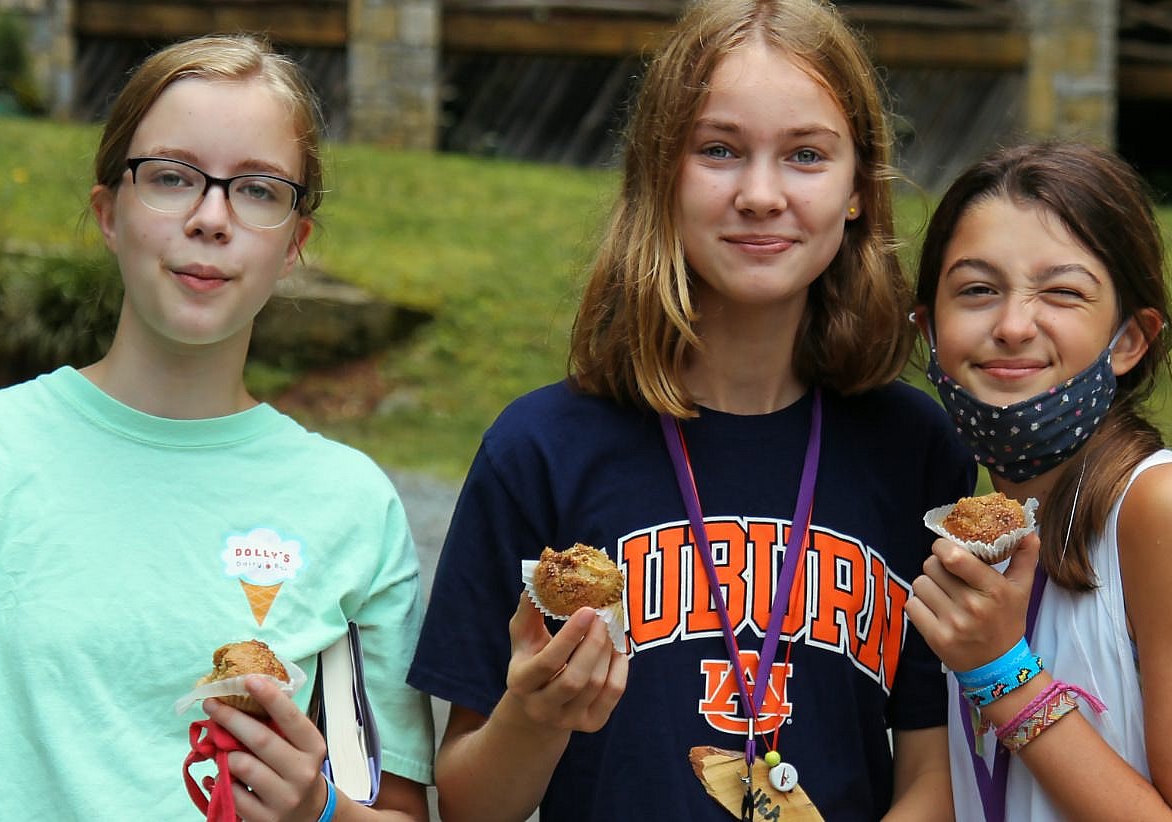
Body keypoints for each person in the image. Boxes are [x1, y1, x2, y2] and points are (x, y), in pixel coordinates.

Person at [0, 34, 434, 821]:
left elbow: (397, 808)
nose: (212, 218)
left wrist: (317, 809)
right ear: (109, 212)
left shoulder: (351, 507)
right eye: (172, 177)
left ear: (294, 245)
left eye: (258, 189)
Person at [406, 0, 976, 819]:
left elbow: (934, 772)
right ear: (659, 174)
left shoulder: (917, 450)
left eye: (807, 155)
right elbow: (467, 801)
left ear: (857, 189)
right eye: (718, 150)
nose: (760, 193)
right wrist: (532, 719)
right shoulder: (539, 450)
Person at [904, 142, 1172, 821]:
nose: (1011, 325)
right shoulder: (983, 535)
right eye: (977, 290)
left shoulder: (1167, 509)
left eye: (1062, 292)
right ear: (929, 329)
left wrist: (1003, 673)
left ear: (1129, 338)